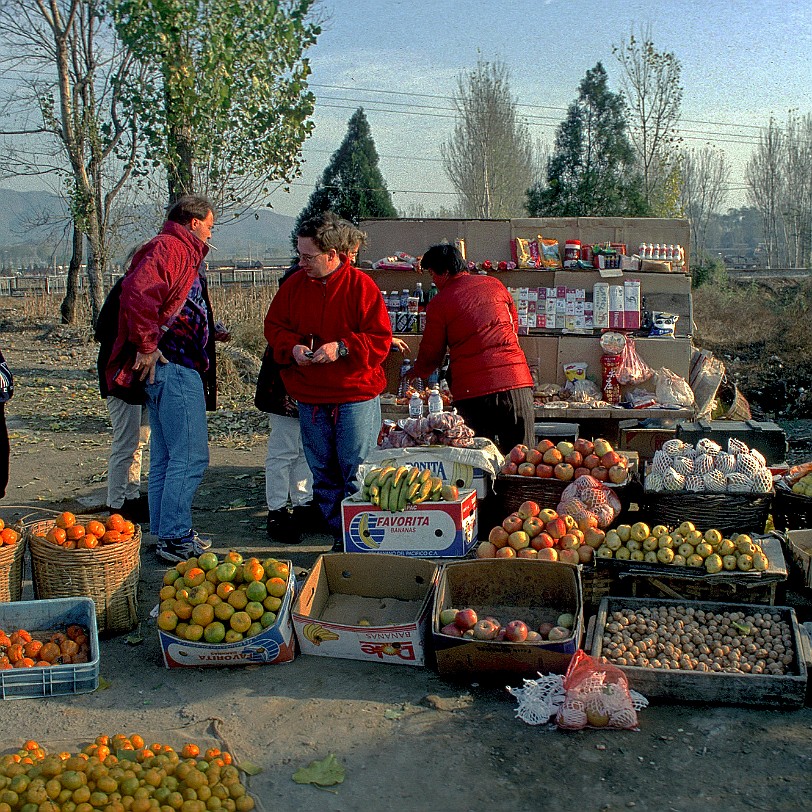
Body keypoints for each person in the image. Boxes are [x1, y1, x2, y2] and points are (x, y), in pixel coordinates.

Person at [264, 213, 392, 550]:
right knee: (322, 471)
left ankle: (357, 539)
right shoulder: (293, 285)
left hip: (355, 393)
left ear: (333, 255)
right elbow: (274, 327)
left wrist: (344, 347)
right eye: (299, 255)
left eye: (308, 257)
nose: (301, 262)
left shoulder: (362, 287)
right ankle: (338, 532)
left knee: (356, 470)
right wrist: (290, 347)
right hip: (310, 394)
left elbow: (380, 338)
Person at [106, 194, 223, 564]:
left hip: (170, 365)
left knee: (167, 457)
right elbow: (138, 292)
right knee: (190, 458)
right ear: (194, 223)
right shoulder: (171, 247)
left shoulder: (177, 250)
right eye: (210, 225)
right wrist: (146, 343)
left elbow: (170, 301)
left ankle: (165, 531)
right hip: (173, 367)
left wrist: (206, 329)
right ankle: (174, 537)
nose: (210, 233)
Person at [412, 243, 535, 454]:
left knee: (477, 460)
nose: (432, 280)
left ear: (446, 272)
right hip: (516, 383)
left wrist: (416, 373)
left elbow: (432, 352)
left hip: (474, 392)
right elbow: (513, 327)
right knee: (523, 461)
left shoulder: (440, 303)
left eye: (432, 274)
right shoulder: (495, 284)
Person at [95, 248, 150, 524]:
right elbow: (107, 334)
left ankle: (131, 495)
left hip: (135, 379)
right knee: (126, 442)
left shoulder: (134, 291)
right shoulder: (125, 292)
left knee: (138, 441)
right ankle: (116, 504)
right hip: (121, 379)